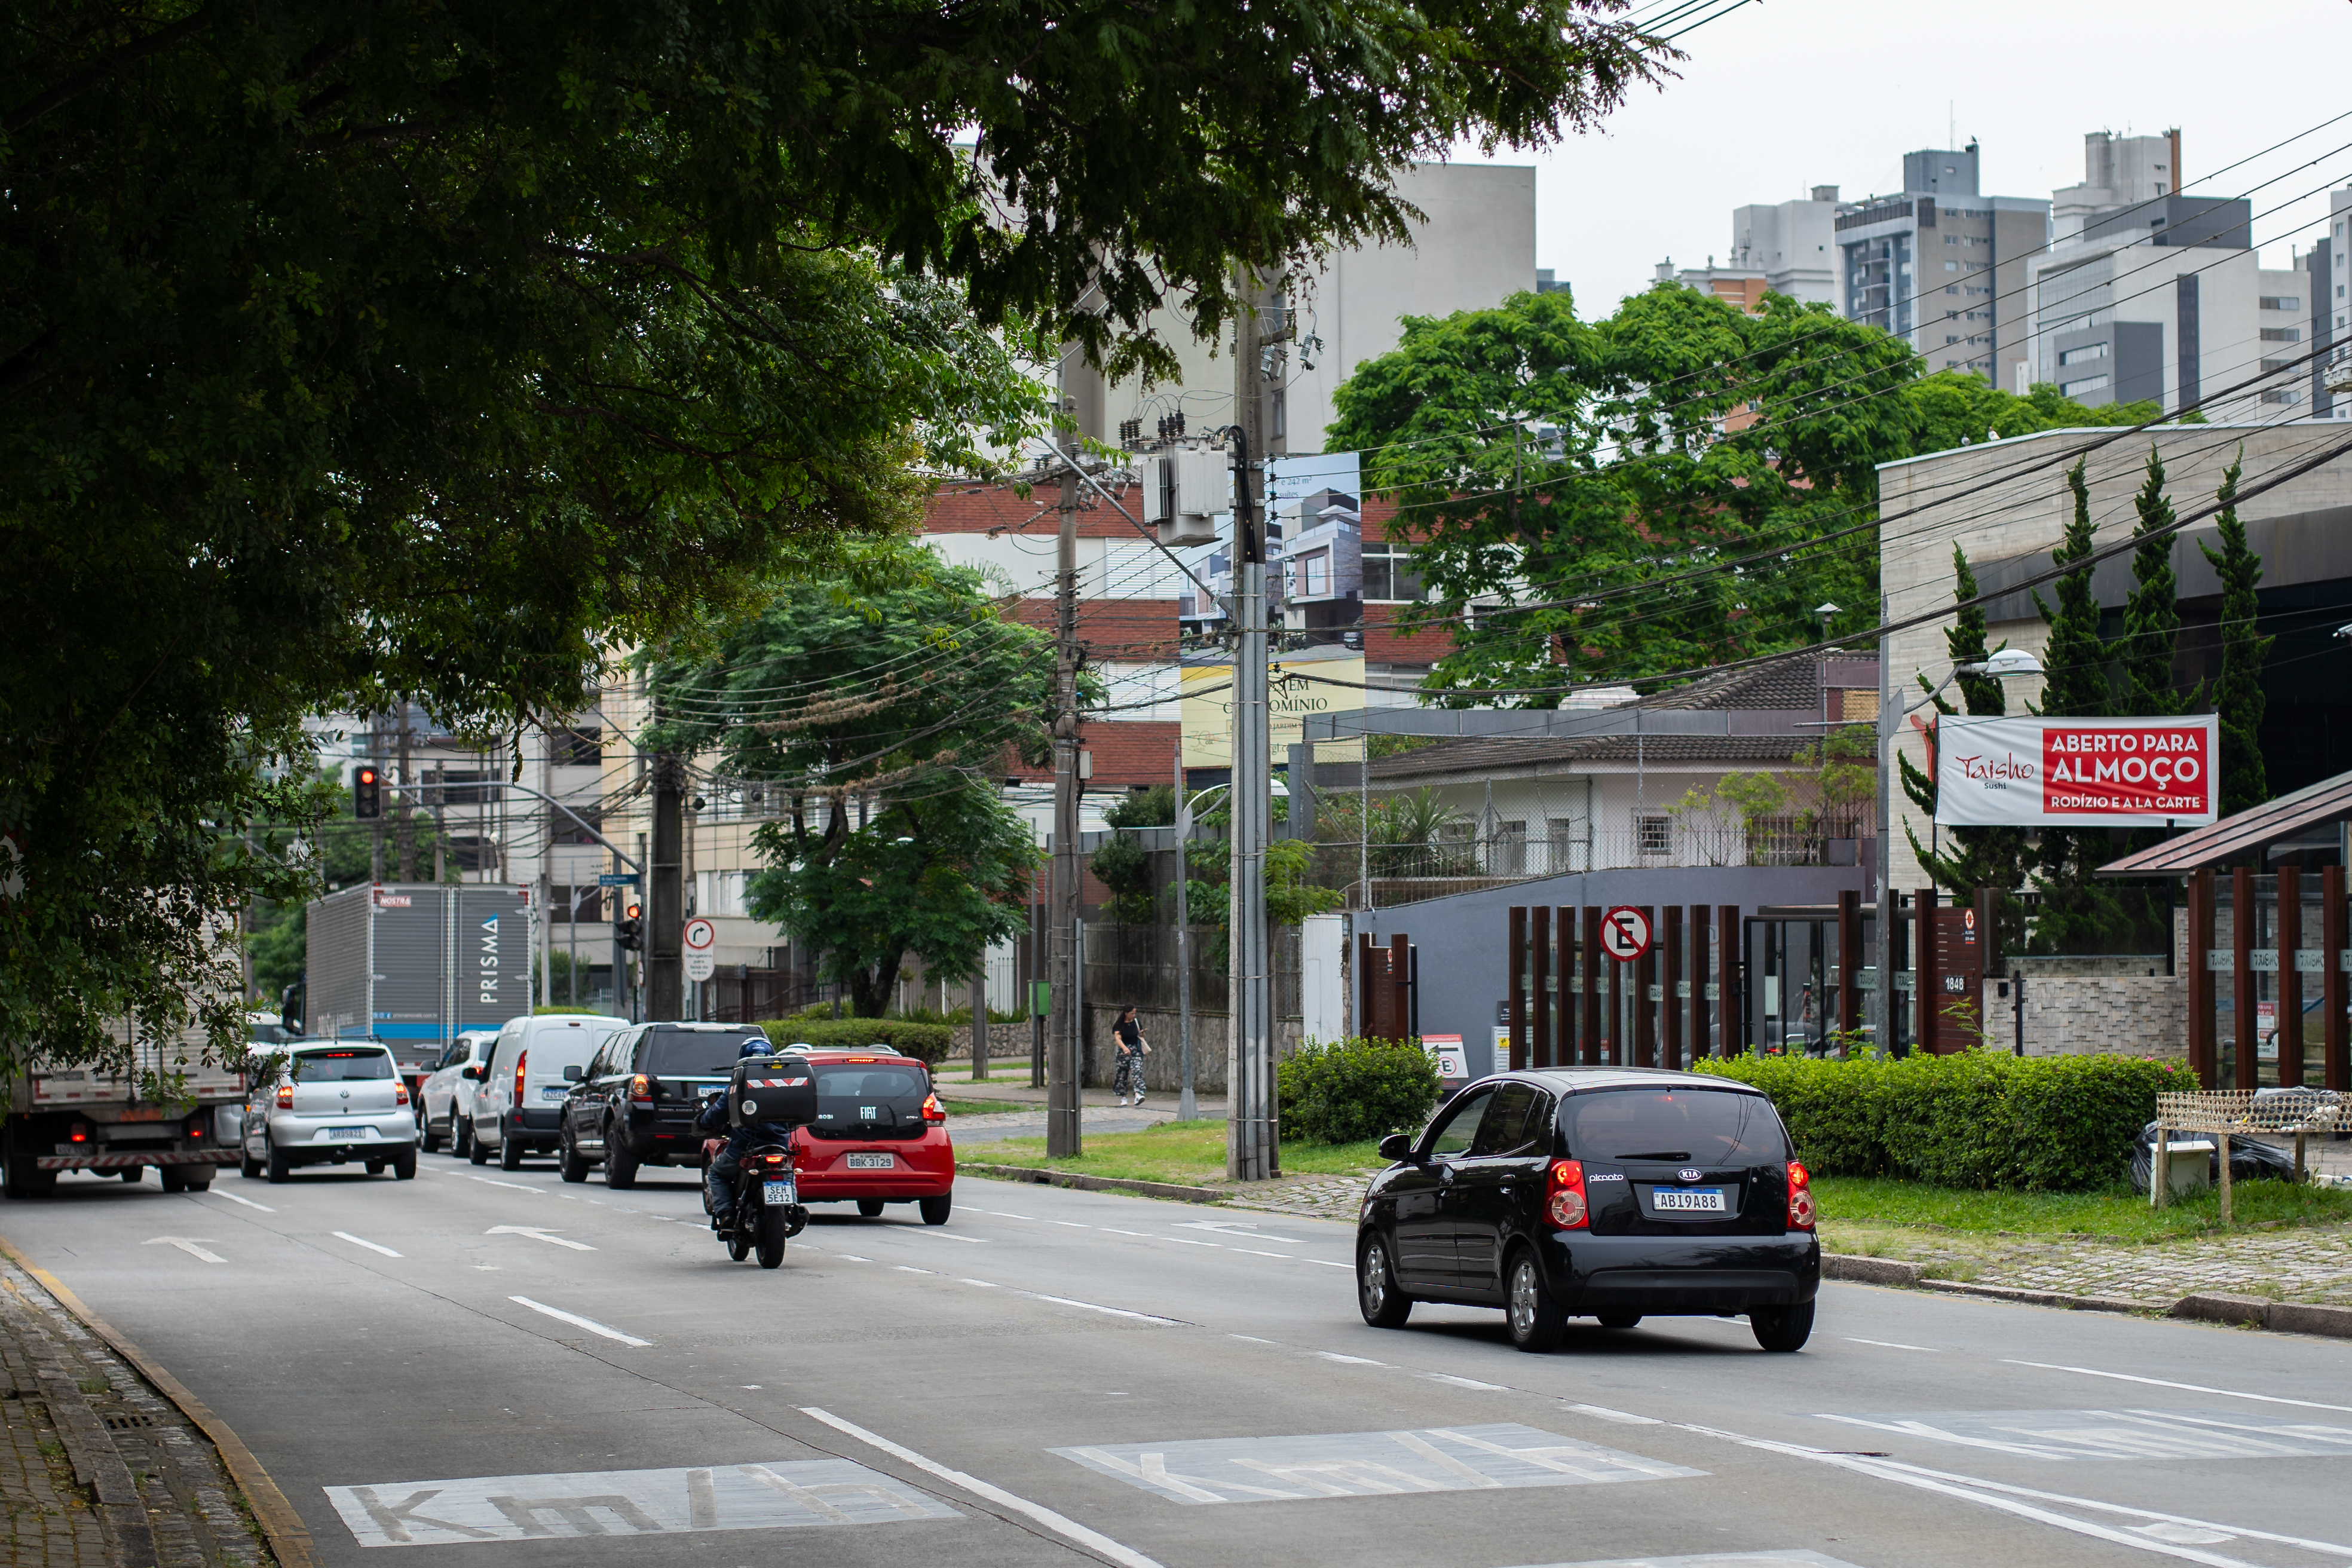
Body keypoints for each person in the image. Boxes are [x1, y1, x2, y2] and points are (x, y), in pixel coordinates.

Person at [698, 1038, 799, 1226]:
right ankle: (792, 1209)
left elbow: (716, 1115)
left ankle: (726, 1215)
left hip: (743, 1149)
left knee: (716, 1174)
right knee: (787, 1172)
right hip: (779, 1147)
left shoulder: (738, 1087)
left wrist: (703, 1120)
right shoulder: (788, 1085)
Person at [1111, 1005, 1149, 1107]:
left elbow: (1140, 1036)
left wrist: (1142, 1034)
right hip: (1123, 1052)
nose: (1134, 1015)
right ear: (1126, 1013)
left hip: (1136, 1050)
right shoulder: (1119, 1025)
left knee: (1137, 1071)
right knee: (1122, 1074)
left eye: (1135, 1013)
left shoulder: (1136, 1022)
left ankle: (1138, 1095)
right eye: (1132, 1013)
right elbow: (1118, 1038)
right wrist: (1125, 1049)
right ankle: (1123, 1097)